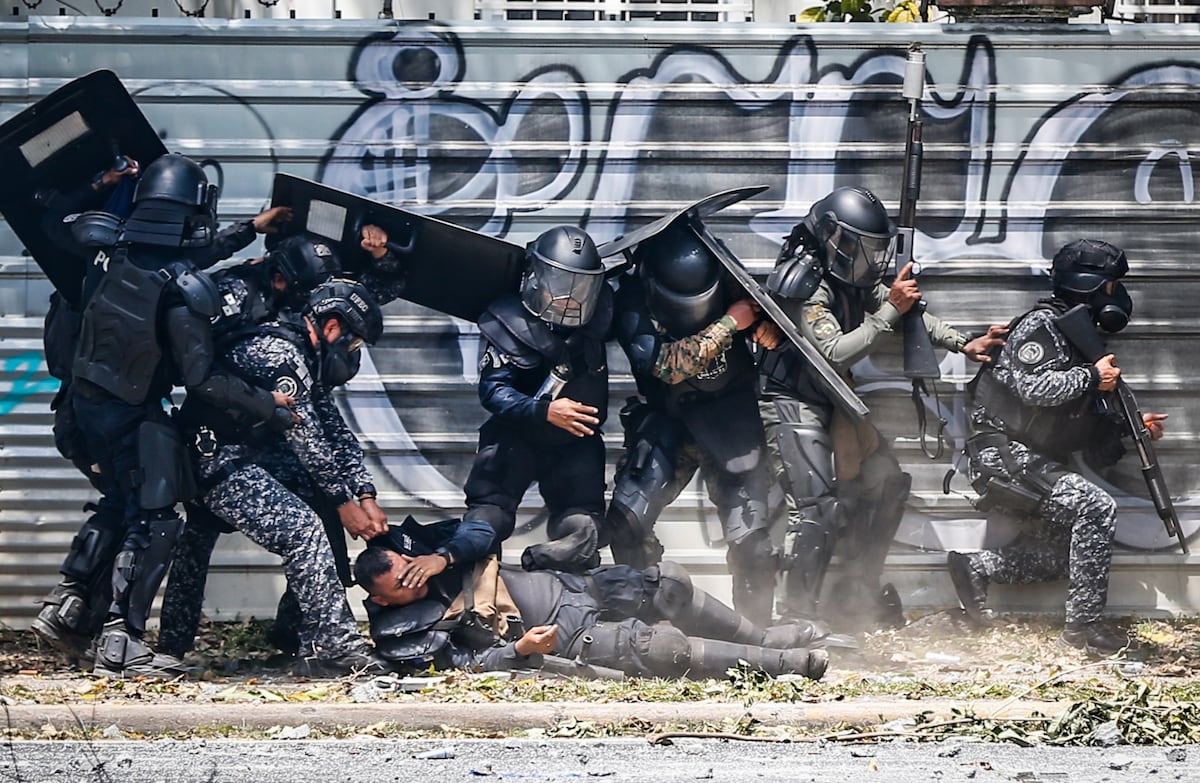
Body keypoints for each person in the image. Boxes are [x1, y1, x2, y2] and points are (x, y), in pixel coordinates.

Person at [50, 153, 295, 676]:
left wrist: (252, 229)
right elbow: (202, 378)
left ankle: (68, 605)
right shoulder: (180, 291)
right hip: (132, 415)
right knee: (156, 520)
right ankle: (122, 643)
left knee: (117, 502)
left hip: (83, 406)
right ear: (191, 209)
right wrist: (268, 407)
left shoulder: (107, 253)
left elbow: (188, 252)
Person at [759, 186, 1005, 629]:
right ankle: (793, 619)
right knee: (816, 509)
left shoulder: (850, 277)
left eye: (876, 248)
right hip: (792, 401)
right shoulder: (806, 284)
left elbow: (906, 311)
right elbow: (833, 351)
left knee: (887, 483)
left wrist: (963, 342)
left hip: (834, 397)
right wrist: (890, 310)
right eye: (863, 246)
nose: (871, 258)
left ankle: (854, 597)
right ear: (835, 238)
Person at [948, 239, 1167, 656]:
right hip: (1003, 454)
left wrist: (1133, 424)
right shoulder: (1041, 327)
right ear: (1088, 286)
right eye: (1109, 286)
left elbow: (1079, 412)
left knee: (1074, 553)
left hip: (1033, 456)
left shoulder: (1076, 333)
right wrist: (1090, 376)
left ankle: (977, 567)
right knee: (1096, 507)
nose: (1116, 295)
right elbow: (1033, 389)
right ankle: (1082, 635)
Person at [167, 278, 390, 675]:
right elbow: (308, 440)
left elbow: (334, 430)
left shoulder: (306, 354)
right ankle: (337, 646)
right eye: (354, 343)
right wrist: (344, 505)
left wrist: (365, 493)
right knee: (302, 529)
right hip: (212, 458)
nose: (351, 354)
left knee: (313, 498)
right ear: (333, 327)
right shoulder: (281, 355)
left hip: (243, 455)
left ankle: (297, 632)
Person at [353, 516, 829, 681]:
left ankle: (764, 637)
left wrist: (441, 558)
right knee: (663, 649)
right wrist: (518, 651)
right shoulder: (401, 635)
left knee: (670, 584)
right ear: (383, 598)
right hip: (563, 635)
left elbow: (481, 527)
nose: (413, 580)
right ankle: (786, 663)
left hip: (575, 586)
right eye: (402, 584)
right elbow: (464, 667)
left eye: (407, 568)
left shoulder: (425, 552)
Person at [604, 219, 784, 627]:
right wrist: (729, 324)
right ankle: (647, 620)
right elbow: (665, 366)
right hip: (670, 419)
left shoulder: (727, 274)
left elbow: (774, 319)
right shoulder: (633, 297)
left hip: (731, 419)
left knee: (754, 544)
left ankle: (755, 636)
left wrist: (768, 329)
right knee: (627, 524)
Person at [462, 225, 611, 573]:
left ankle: (553, 582)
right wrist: (543, 411)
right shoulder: (508, 320)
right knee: (486, 521)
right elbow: (493, 391)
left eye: (580, 287)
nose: (569, 297)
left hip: (575, 443)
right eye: (560, 284)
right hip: (515, 438)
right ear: (535, 279)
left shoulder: (601, 317)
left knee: (584, 530)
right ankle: (478, 601)